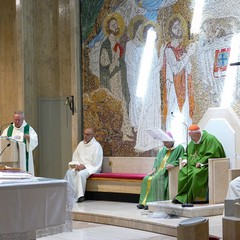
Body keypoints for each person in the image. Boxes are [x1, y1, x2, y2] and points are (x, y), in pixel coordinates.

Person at [162, 14, 195, 144]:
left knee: (185, 115)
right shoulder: (169, 50)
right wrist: (188, 55)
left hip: (184, 86)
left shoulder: (182, 49)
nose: (178, 29)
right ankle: (175, 144)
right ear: (170, 29)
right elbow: (175, 69)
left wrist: (187, 54)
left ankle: (186, 144)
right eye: (175, 27)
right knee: (175, 115)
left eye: (180, 26)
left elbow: (189, 69)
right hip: (173, 89)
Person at [172, 124, 226, 204]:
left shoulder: (210, 140)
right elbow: (186, 153)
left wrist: (201, 162)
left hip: (207, 166)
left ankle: (190, 198)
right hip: (193, 165)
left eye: (193, 136)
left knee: (195, 174)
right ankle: (181, 196)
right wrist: (185, 160)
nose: (192, 139)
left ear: (198, 133)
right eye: (190, 137)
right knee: (183, 172)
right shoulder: (193, 141)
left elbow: (213, 154)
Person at [137, 132, 184, 210]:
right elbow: (156, 160)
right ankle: (143, 202)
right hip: (158, 171)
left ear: (171, 141)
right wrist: (154, 169)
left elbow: (182, 159)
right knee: (146, 178)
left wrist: (173, 164)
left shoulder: (179, 148)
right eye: (163, 142)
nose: (164, 144)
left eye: (166, 142)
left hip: (167, 172)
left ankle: (150, 204)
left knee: (155, 180)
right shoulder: (162, 149)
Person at [64, 127, 103, 202]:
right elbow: (75, 157)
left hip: (91, 168)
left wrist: (85, 166)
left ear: (92, 135)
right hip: (80, 167)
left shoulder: (96, 146)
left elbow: (96, 162)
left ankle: (80, 196)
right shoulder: (81, 144)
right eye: (84, 134)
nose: (85, 136)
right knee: (70, 172)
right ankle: (70, 194)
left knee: (81, 174)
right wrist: (77, 165)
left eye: (87, 134)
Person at [1, 110, 38, 176]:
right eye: (15, 120)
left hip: (23, 158)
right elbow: (2, 140)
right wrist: (4, 138)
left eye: (18, 120)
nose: (16, 122)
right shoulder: (9, 129)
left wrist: (29, 138)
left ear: (23, 119)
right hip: (11, 158)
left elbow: (35, 140)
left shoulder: (28, 129)